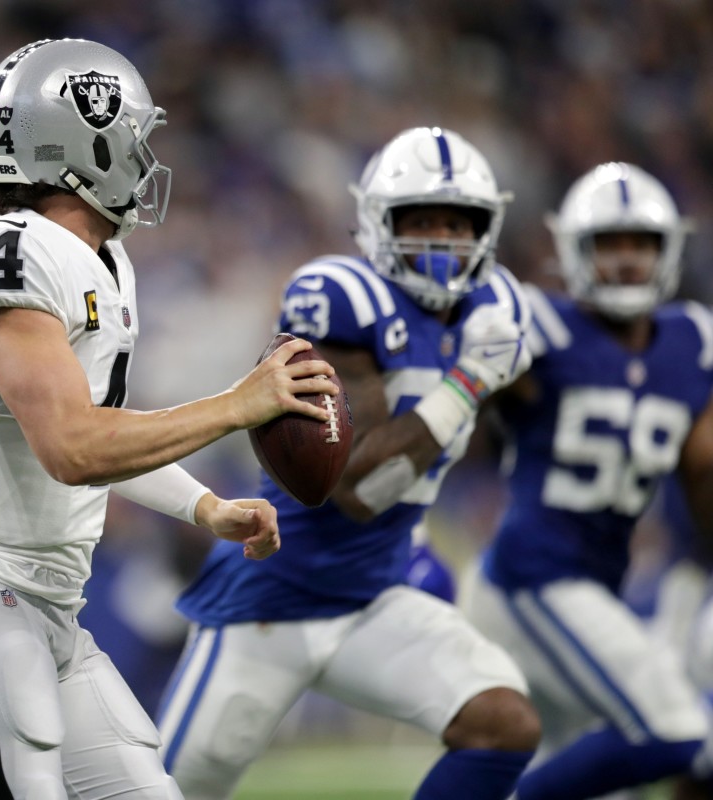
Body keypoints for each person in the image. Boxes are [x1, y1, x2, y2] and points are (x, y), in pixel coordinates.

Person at [0, 38, 339, 799]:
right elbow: (72, 447)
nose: (144, 158)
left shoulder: (103, 261)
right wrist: (238, 405)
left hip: (50, 605)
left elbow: (102, 425)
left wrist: (202, 506)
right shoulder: (4, 253)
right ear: (87, 143)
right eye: (135, 137)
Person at [156, 126, 542, 800]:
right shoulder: (340, 299)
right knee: (162, 793)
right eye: (420, 221)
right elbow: (354, 489)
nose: (441, 243)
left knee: (504, 723)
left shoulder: (499, 306)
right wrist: (467, 383)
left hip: (375, 593)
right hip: (275, 598)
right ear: (377, 224)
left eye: (458, 224)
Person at [461, 161, 713, 798]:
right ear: (575, 251)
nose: (627, 260)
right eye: (610, 244)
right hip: (530, 578)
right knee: (674, 729)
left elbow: (703, 471)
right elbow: (457, 401)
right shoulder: (540, 325)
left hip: (592, 586)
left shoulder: (692, 341)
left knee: (609, 781)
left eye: (641, 243)